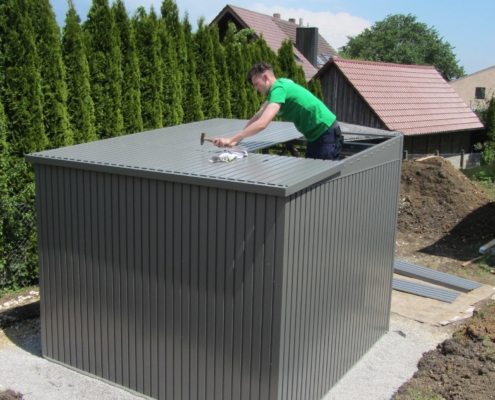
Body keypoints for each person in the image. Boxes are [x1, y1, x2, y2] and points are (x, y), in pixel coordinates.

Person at [213, 61, 343, 160]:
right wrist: (236, 140)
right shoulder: (279, 86)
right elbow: (258, 115)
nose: (256, 89)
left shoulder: (278, 90)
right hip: (317, 136)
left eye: (256, 84)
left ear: (265, 77)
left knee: (323, 183)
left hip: (326, 135)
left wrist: (230, 139)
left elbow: (262, 123)